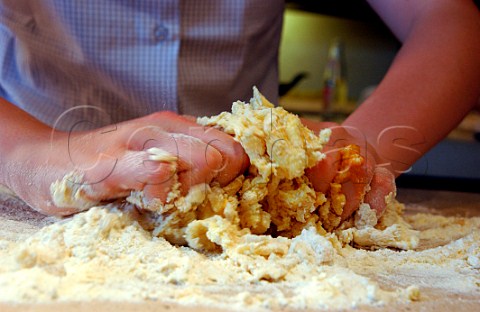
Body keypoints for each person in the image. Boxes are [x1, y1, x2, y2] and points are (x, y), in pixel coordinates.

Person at [0, 0, 479, 220]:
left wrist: (362, 149)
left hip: (259, 204)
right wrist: (31, 154)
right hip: (34, 182)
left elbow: (445, 17)